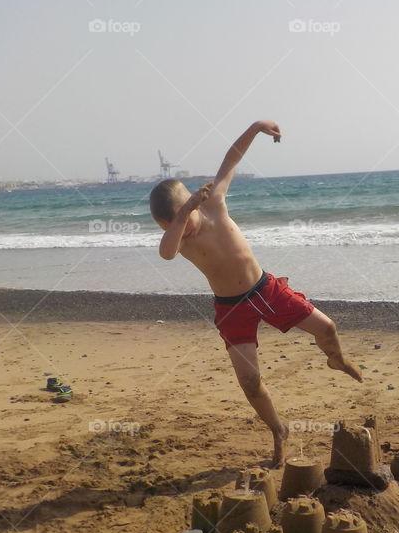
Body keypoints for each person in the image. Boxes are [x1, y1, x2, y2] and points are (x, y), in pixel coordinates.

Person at [149, 120, 362, 467]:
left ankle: (335, 359)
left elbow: (232, 158)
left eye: (179, 220)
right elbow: (166, 253)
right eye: (169, 226)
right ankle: (279, 431)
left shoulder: (214, 203)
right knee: (250, 382)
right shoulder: (177, 234)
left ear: (192, 202)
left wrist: (257, 127)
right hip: (232, 309)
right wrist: (180, 217)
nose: (177, 230)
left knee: (328, 329)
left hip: (265, 289)